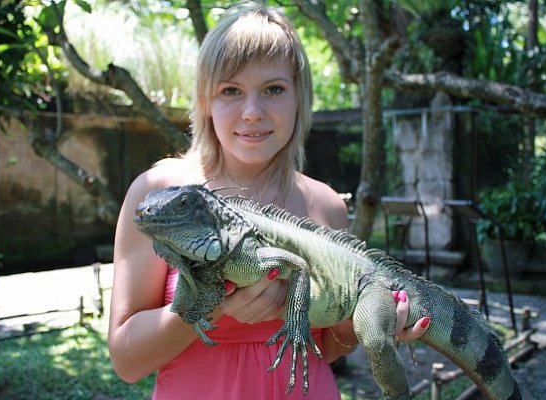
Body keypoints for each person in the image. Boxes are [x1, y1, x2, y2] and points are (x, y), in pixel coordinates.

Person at [108, 4, 430, 399]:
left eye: (274, 89)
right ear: (206, 101)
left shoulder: (325, 205)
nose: (253, 112)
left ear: (299, 98)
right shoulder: (158, 195)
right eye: (231, 90)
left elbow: (327, 349)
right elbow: (127, 362)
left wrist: (371, 326)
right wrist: (213, 305)